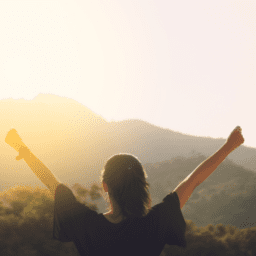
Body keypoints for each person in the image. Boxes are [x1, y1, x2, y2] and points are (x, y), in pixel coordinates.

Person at [5, 126, 244, 256]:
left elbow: (52, 183)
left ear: (106, 186)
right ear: (142, 185)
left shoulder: (88, 225)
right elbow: (193, 180)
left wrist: (23, 149)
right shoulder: (155, 223)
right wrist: (228, 146)